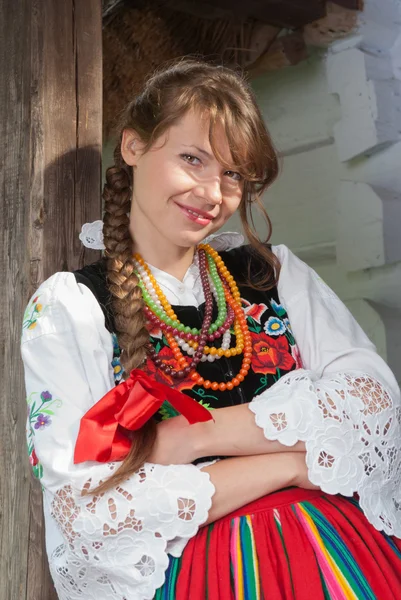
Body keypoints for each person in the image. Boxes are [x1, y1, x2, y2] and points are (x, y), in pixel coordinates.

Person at [21, 59, 401, 600]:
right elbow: (87, 510)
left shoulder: (275, 274)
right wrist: (292, 464)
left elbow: (375, 407)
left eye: (233, 173)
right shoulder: (70, 308)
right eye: (192, 159)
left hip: (338, 558)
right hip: (200, 575)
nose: (212, 191)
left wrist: (198, 434)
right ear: (132, 147)